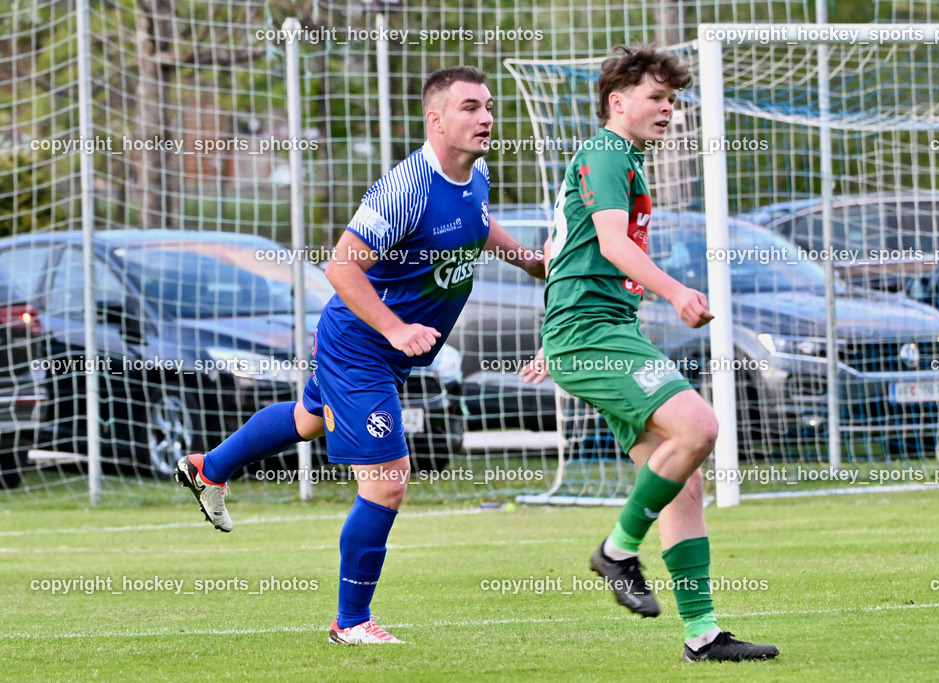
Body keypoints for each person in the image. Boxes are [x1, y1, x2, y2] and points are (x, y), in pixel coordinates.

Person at [176, 65, 545, 645]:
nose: (486, 118)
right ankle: (350, 622)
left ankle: (209, 468)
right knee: (388, 481)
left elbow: (478, 221)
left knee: (307, 420)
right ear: (436, 119)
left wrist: (528, 260)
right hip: (360, 345)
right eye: (471, 107)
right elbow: (340, 266)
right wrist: (395, 329)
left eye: (489, 106)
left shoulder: (476, 174)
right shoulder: (406, 189)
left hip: (381, 348)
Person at [520, 45, 778, 662]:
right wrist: (676, 293)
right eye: (656, 97)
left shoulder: (619, 158)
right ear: (618, 101)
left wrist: (555, 333)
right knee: (700, 427)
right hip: (594, 334)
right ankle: (616, 551)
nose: (668, 109)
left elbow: (560, 250)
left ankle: (703, 635)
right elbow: (611, 244)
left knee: (682, 480)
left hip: (602, 330)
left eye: (672, 100)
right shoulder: (608, 153)